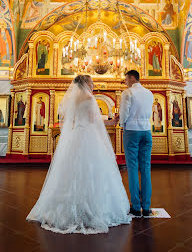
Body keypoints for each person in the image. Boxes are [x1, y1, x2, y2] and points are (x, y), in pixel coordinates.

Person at [27, 75, 131, 234]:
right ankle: (91, 208)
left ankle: (70, 207)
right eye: (92, 82)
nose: (93, 85)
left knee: (71, 171)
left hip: (75, 135)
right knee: (92, 171)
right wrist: (112, 122)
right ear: (86, 84)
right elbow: (93, 121)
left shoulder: (73, 99)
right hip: (88, 136)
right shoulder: (89, 98)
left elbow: (74, 119)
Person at [120, 70, 153, 218]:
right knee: (145, 168)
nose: (125, 82)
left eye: (126, 79)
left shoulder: (128, 93)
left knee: (132, 167)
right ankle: (146, 207)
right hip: (146, 131)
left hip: (132, 131)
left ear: (132, 78)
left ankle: (136, 206)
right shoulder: (149, 93)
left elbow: (124, 113)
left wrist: (121, 123)